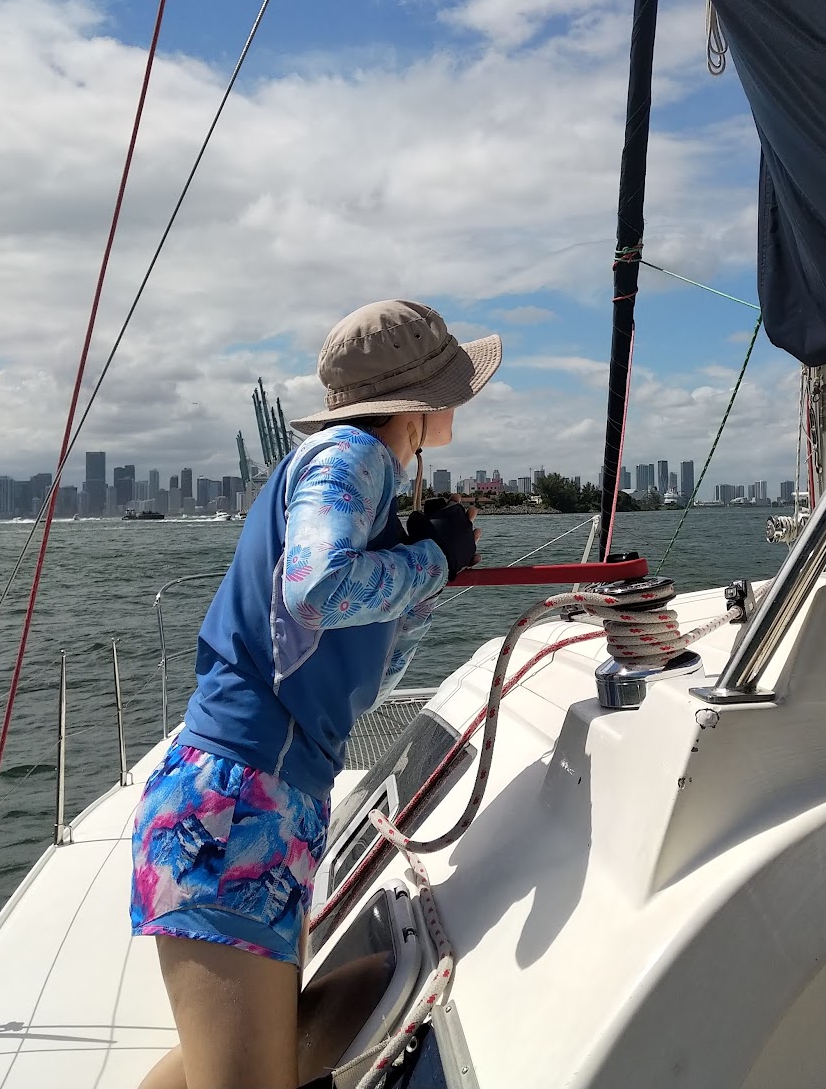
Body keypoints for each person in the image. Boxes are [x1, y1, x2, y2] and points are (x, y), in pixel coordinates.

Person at [130, 300, 502, 1089]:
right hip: (239, 804)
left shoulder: (362, 474)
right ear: (418, 402)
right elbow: (315, 587)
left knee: (244, 1054)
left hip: (265, 802)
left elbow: (367, 678)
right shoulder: (351, 454)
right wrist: (434, 563)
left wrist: (421, 573)